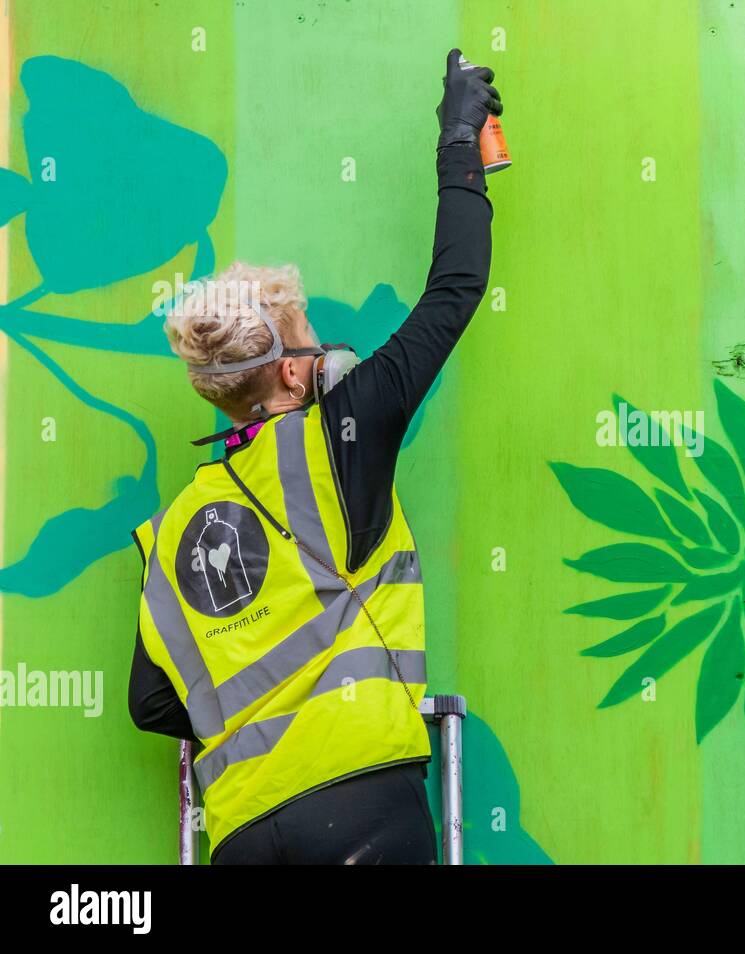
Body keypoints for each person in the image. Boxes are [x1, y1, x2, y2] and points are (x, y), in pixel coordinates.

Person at [126, 49, 501, 865]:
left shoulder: (175, 528)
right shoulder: (343, 437)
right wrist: (459, 137)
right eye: (310, 337)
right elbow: (455, 287)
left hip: (244, 834)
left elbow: (152, 702)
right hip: (362, 801)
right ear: (300, 370)